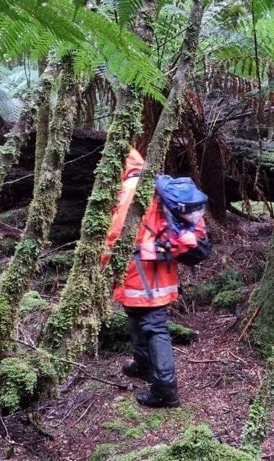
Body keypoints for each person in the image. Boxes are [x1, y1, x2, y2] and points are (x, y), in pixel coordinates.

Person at [102, 148, 208, 408]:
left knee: (154, 325)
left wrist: (104, 262)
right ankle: (143, 365)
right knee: (137, 317)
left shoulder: (130, 189)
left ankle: (165, 389)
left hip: (142, 271)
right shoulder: (152, 184)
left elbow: (115, 233)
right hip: (156, 268)